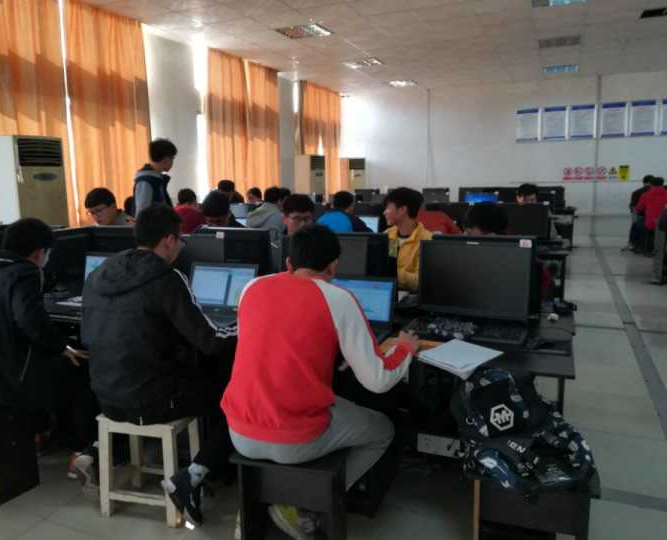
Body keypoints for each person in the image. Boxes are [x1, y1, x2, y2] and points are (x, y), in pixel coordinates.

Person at [195, 224, 417, 540]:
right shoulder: (339, 298)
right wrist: (405, 348)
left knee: (333, 402)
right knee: (382, 431)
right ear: (334, 266)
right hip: (294, 440)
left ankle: (267, 503)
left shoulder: (252, 287)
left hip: (239, 432)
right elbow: (378, 380)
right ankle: (307, 508)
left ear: (288, 263)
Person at [77, 205, 238, 526]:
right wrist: (247, 322)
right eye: (180, 240)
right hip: (151, 399)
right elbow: (210, 340)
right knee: (235, 398)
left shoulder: (100, 273)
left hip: (105, 395)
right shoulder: (166, 278)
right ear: (167, 240)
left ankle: (94, 449)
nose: (181, 247)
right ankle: (195, 475)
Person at [0, 218, 92, 475]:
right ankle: (79, 448)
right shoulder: (24, 272)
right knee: (78, 369)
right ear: (38, 253)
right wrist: (62, 347)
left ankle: (41, 431)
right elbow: (30, 321)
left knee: (44, 360)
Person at [383, 187, 433, 291]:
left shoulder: (427, 240)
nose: (384, 212)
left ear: (402, 210)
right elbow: (388, 263)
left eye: (388, 208)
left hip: (411, 296)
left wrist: (393, 274)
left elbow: (420, 281)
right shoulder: (389, 235)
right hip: (387, 291)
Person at [134, 138, 177, 216]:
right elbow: (142, 215)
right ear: (165, 158)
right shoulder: (146, 181)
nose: (172, 162)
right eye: (172, 158)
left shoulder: (157, 179)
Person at [631, 177, 667, 253]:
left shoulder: (646, 195)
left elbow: (638, 209)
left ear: (651, 184)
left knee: (637, 225)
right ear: (662, 184)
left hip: (651, 223)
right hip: (664, 223)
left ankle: (641, 247)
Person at [623, 175, 654, 251]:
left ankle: (633, 244)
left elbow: (633, 207)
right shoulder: (662, 192)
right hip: (655, 218)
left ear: (644, 182)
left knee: (636, 226)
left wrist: (635, 215)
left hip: (642, 216)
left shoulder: (636, 192)